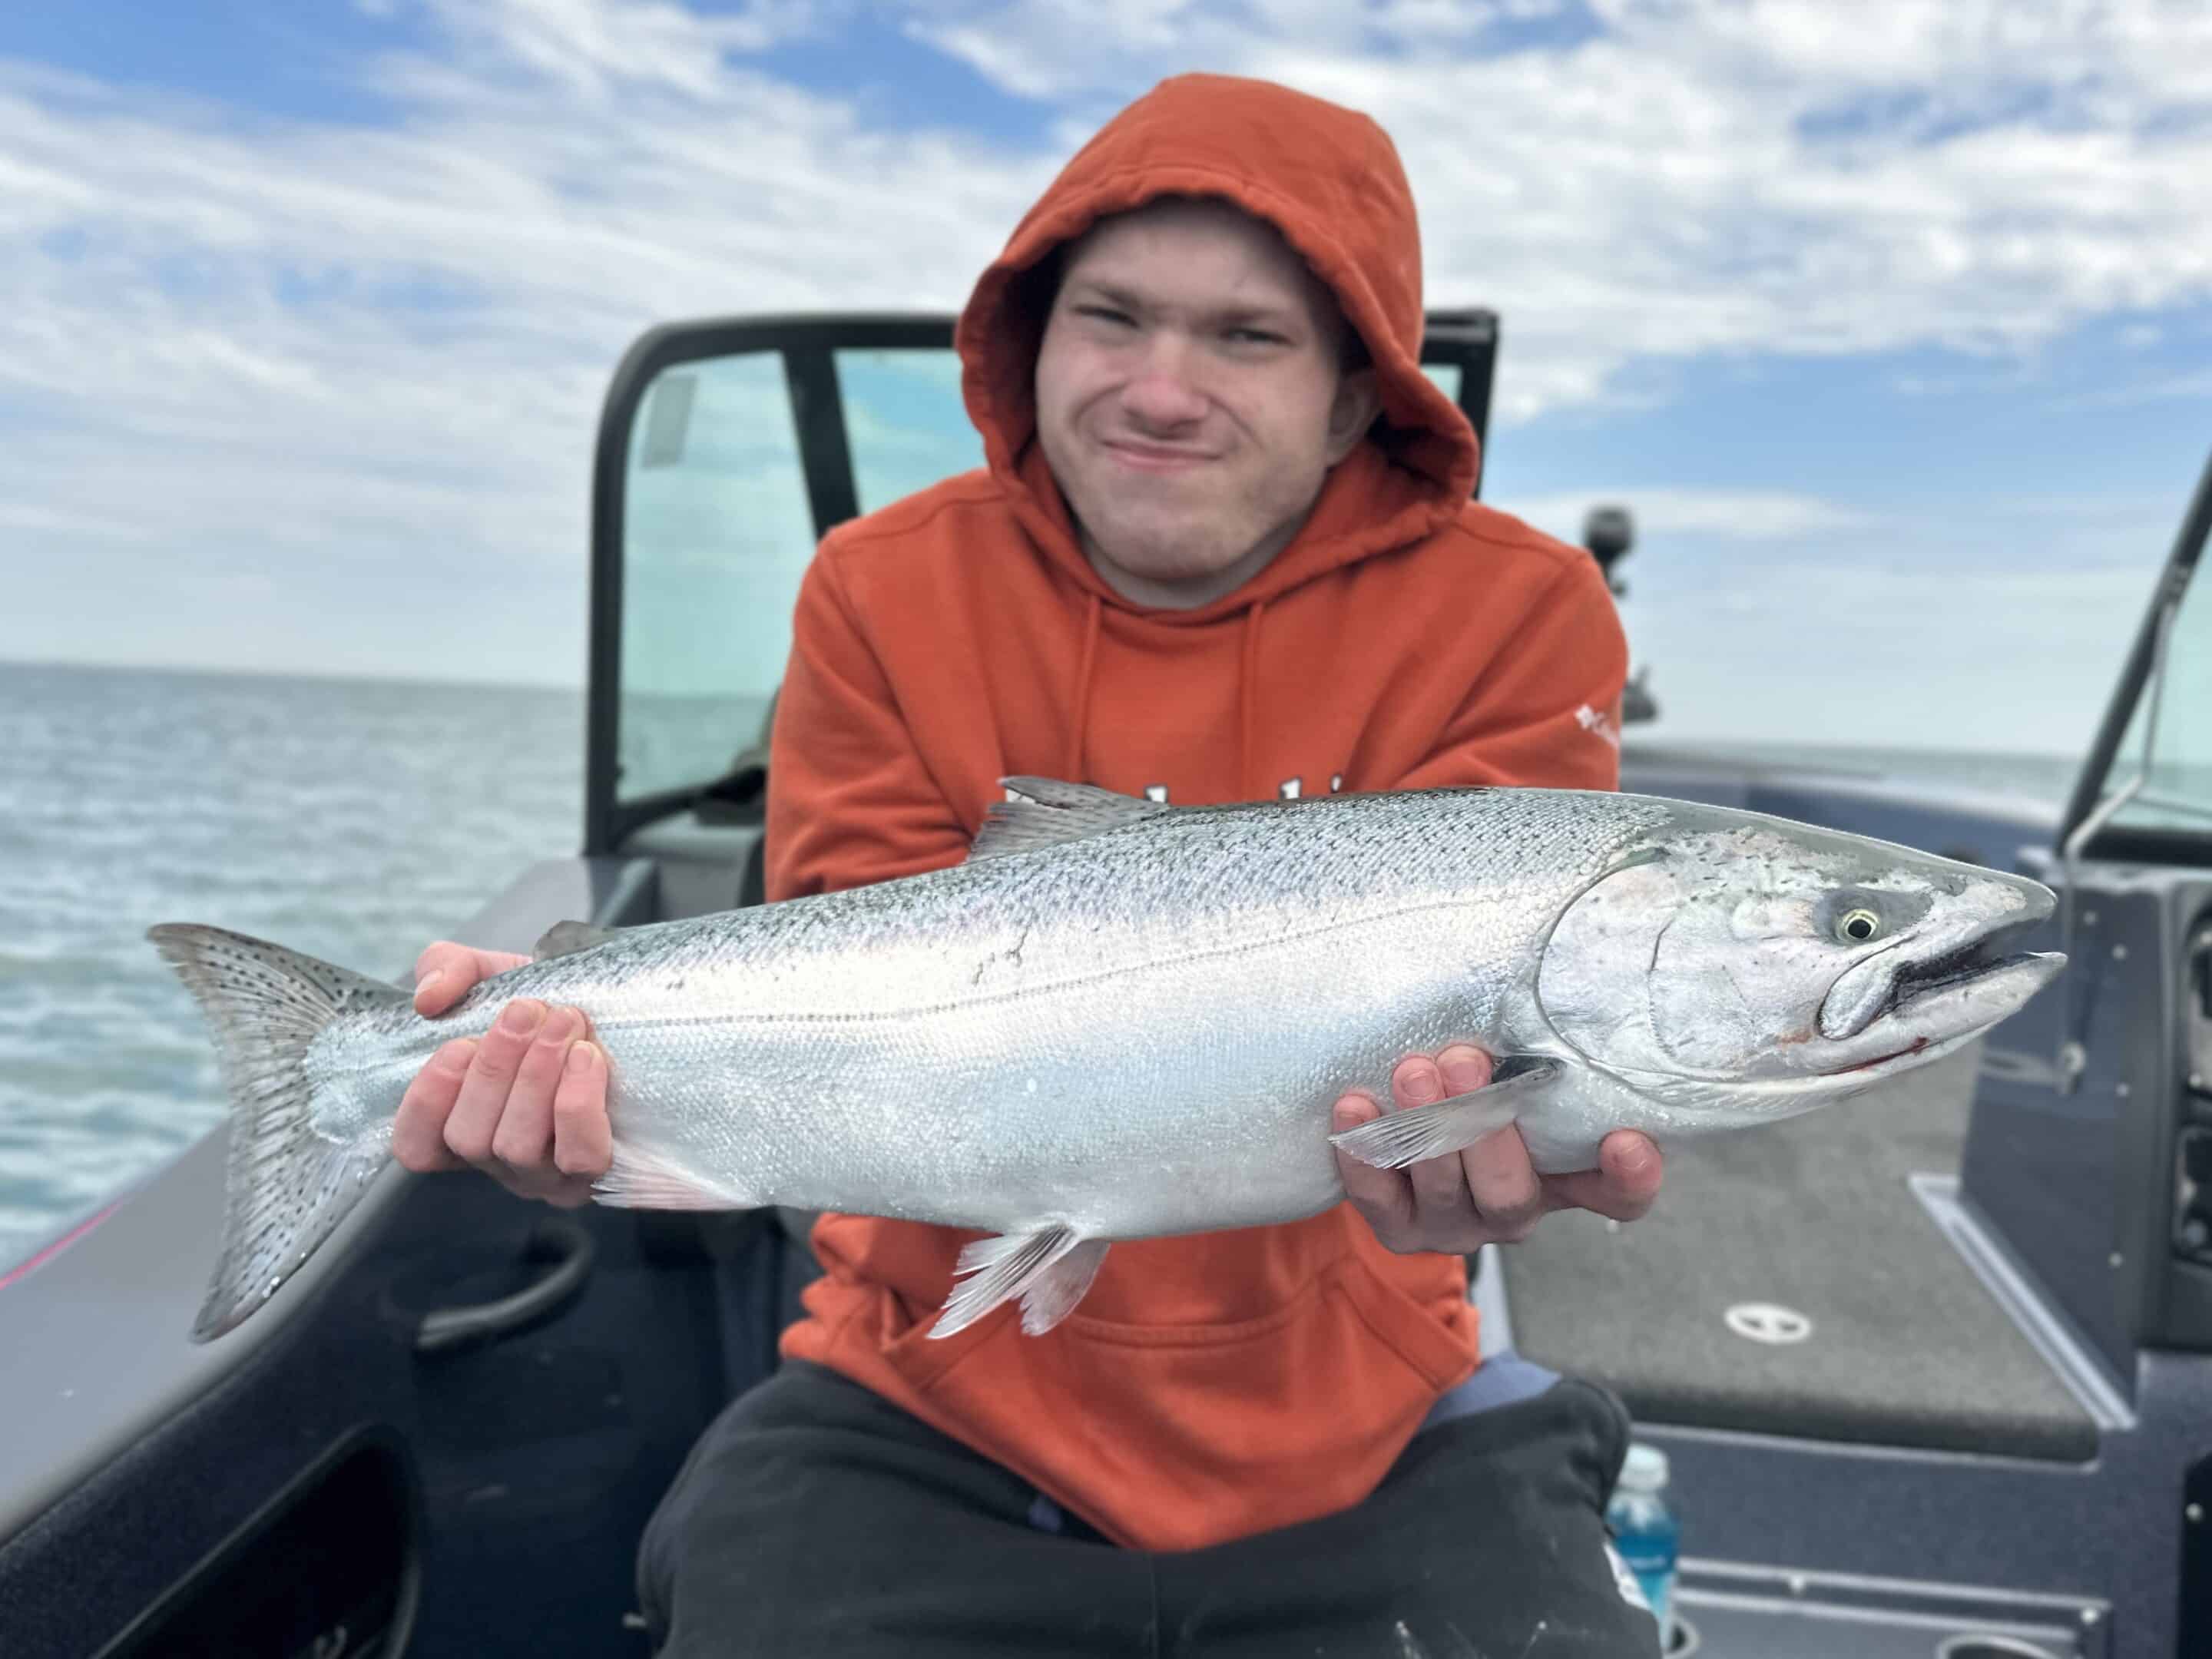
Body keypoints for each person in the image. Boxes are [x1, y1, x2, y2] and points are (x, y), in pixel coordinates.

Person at [393, 73, 1667, 1656]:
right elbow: (844, 982)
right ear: (1030, 339)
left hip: (1374, 1400)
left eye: (1247, 336)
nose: (1161, 389)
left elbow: (1506, 1067)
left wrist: (1486, 1155)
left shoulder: (1518, 611)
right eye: (1110, 317)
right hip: (927, 1381)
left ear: (1357, 399)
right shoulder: (879, 585)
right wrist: (597, 1082)